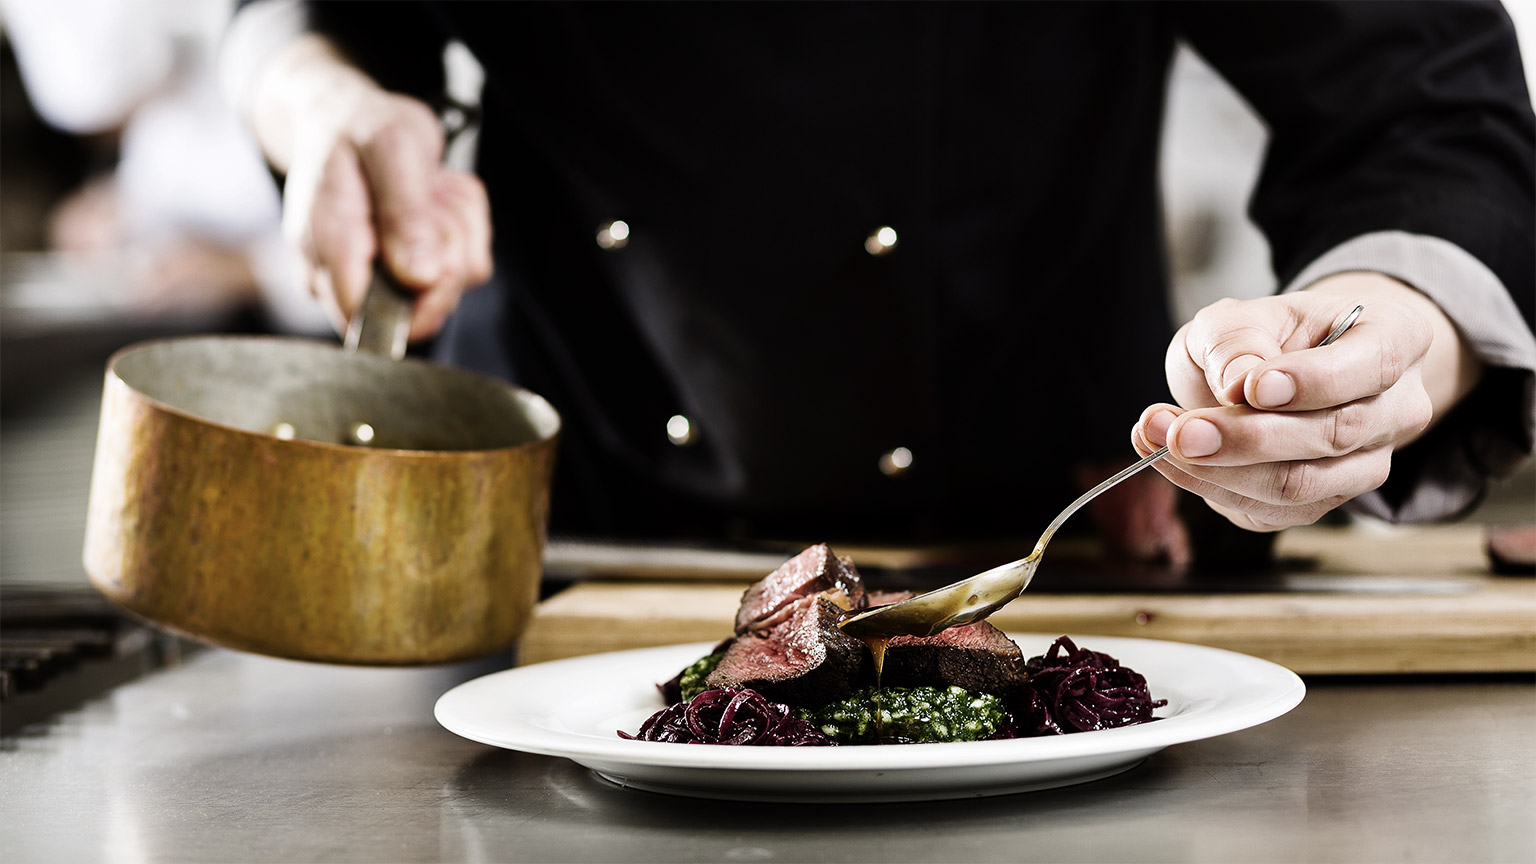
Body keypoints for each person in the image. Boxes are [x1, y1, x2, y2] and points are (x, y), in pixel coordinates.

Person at [221, 1, 1535, 566]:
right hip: (567, 546)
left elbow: (1418, 111)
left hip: (1069, 549)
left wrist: (1384, 349)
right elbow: (320, 15)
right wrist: (320, 102)